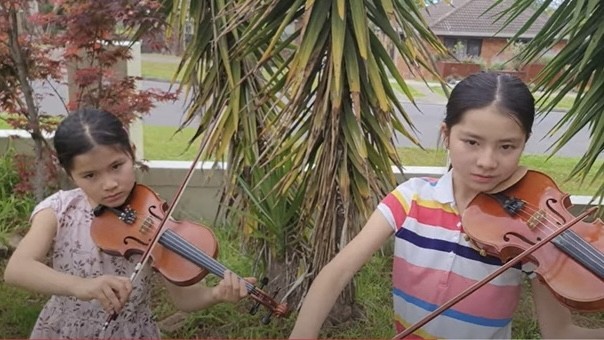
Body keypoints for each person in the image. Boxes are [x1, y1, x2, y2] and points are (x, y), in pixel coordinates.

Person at [289, 72, 604, 339]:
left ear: (524, 142)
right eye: (471, 142)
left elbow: (560, 333)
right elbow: (336, 273)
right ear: (446, 135)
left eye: (507, 146)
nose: (487, 162)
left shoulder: (531, 233)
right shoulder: (410, 198)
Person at [3, 108, 255, 338]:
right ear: (70, 174)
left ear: (131, 152)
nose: (109, 183)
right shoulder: (58, 211)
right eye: (90, 175)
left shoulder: (155, 218)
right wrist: (83, 287)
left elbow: (183, 299)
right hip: (64, 330)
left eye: (116, 166)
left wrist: (215, 294)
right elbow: (17, 269)